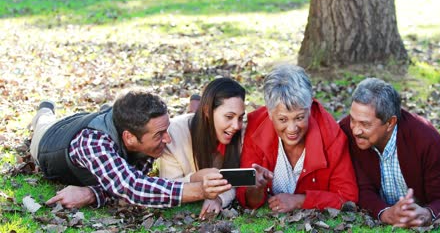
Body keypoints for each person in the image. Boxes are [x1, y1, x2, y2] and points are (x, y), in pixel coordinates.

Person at [29, 90, 231, 209]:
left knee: (110, 115)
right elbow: (132, 186)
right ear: (130, 138)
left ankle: (105, 111)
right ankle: (44, 110)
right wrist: (199, 190)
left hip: (99, 119)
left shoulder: (141, 129)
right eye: (159, 135)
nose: (167, 139)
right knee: (44, 121)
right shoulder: (93, 143)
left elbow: (126, 182)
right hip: (51, 138)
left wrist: (93, 193)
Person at [236, 64, 358, 212]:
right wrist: (255, 188)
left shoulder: (332, 135)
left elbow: (347, 197)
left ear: (310, 108)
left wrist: (301, 201)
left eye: (299, 117)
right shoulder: (256, 126)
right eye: (282, 120)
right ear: (269, 113)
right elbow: (246, 198)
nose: (292, 128)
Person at [339, 78, 440, 228]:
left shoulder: (426, 138)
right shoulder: (345, 132)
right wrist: (385, 213)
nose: (355, 130)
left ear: (390, 123)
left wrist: (426, 214)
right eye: (353, 120)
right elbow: (360, 188)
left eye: (365, 124)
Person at [159, 77, 245, 219]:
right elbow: (167, 188)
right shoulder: (173, 134)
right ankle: (194, 106)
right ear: (207, 111)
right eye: (229, 116)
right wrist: (195, 178)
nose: (237, 126)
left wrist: (218, 198)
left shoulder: (240, 135)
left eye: (240, 117)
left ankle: (195, 105)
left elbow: (237, 181)